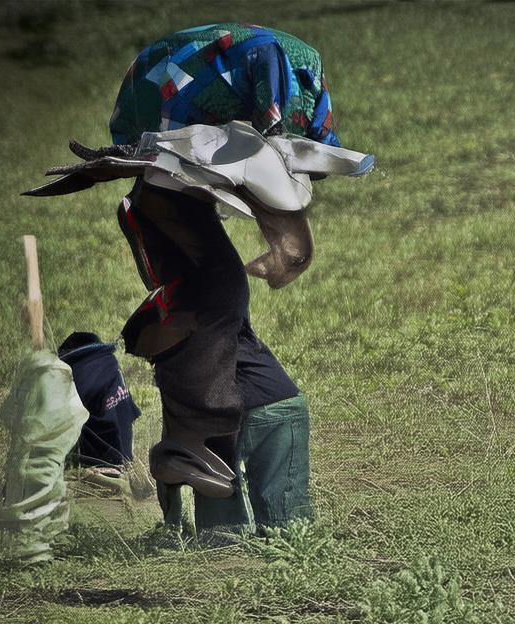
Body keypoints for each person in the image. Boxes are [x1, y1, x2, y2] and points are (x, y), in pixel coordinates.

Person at [109, 23, 343, 535]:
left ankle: (254, 532)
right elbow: (273, 154)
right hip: (223, 396)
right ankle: (232, 527)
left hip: (240, 394)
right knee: (222, 301)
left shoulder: (184, 231)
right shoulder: (175, 230)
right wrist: (291, 245)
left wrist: (288, 242)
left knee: (260, 385)